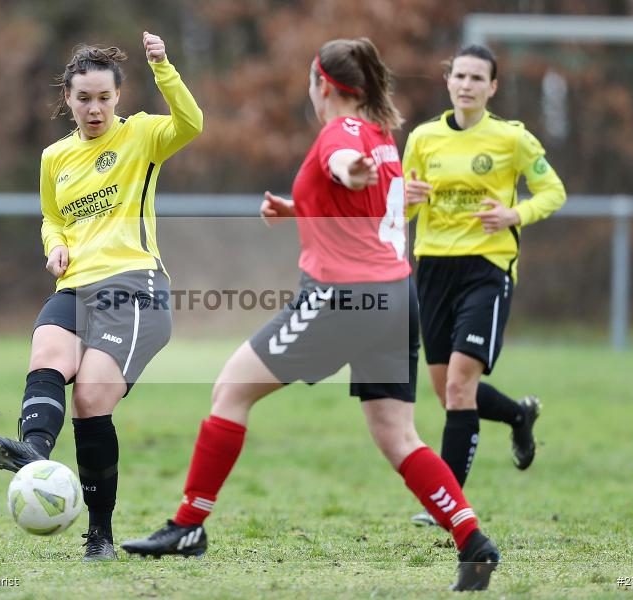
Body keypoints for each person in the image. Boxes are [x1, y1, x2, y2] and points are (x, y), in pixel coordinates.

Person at [122, 38, 500, 592]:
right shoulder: (382, 136)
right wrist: (300, 206)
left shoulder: (343, 133)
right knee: (397, 434)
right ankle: (472, 540)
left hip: (342, 298)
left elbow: (344, 166)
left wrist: (347, 171)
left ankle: (188, 526)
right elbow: (363, 204)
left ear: (322, 84)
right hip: (396, 298)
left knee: (230, 390)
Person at [0, 32, 203, 560]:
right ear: (68, 100)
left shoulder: (142, 136)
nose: (94, 108)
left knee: (91, 399)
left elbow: (192, 123)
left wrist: (164, 66)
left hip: (135, 285)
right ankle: (34, 456)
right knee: (47, 355)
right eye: (83, 99)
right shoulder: (55, 157)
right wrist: (54, 246)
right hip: (75, 285)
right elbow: (52, 218)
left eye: (103, 97)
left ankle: (99, 533)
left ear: (117, 97)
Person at [402, 45, 566, 527]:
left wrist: (516, 213)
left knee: (459, 384)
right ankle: (518, 415)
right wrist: (405, 198)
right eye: (460, 76)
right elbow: (405, 210)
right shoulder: (423, 138)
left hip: (486, 269)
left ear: (492, 88)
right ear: (448, 81)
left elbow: (553, 191)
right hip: (432, 269)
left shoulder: (511, 140)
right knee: (448, 391)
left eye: (478, 78)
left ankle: (446, 504)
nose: (467, 84)